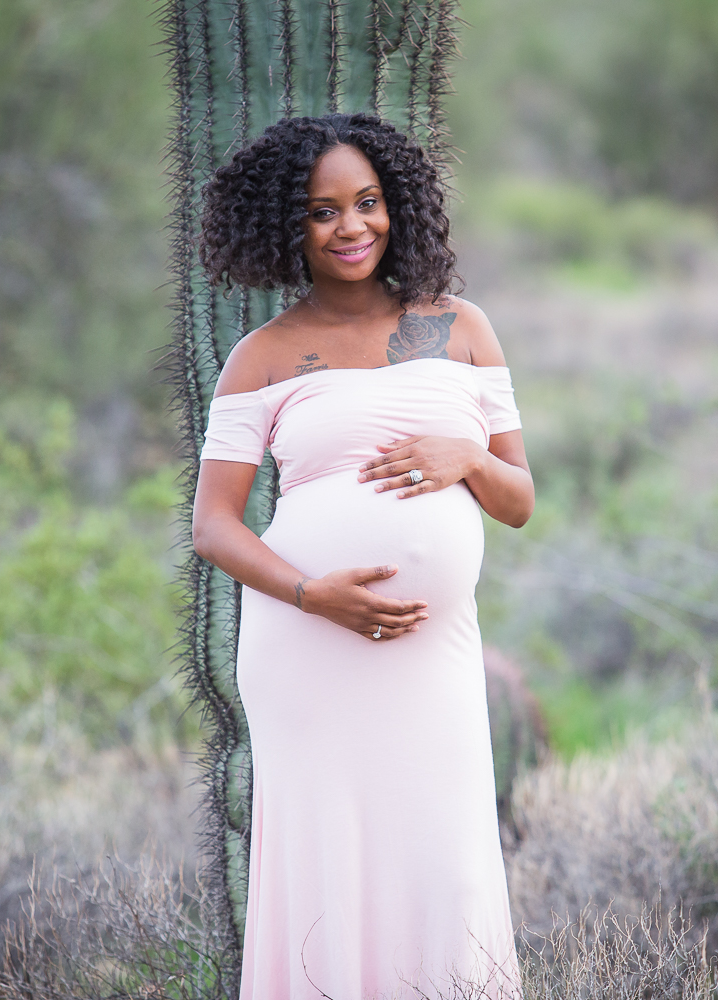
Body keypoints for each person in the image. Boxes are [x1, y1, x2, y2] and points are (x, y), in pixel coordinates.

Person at [190, 112, 533, 999]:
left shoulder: (463, 328)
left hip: (432, 652)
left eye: (369, 203)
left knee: (445, 856)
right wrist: (312, 595)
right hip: (310, 644)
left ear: (396, 206)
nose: (353, 228)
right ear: (286, 227)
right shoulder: (258, 359)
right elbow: (215, 526)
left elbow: (521, 500)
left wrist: (468, 459)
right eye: (323, 211)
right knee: (326, 858)